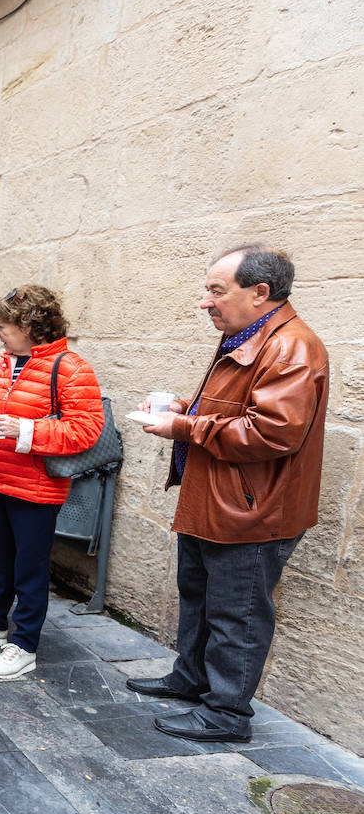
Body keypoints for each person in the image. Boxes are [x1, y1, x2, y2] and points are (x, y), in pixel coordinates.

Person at [130, 244, 327, 743]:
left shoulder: (292, 346)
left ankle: (226, 713)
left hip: (251, 511)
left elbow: (273, 433)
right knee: (198, 597)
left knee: (236, 615)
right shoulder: (253, 335)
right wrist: (181, 408)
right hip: (219, 501)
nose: (205, 302)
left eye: (216, 290)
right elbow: (234, 411)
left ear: (260, 293)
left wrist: (185, 425)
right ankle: (192, 679)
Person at [0, 285, 103, 680]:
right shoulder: (1, 365)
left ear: (30, 326)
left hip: (37, 488)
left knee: (30, 571)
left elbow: (87, 431)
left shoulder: (71, 368)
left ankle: (25, 644)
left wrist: (27, 432)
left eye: (3, 326)